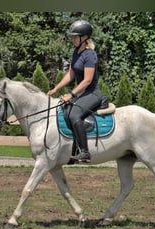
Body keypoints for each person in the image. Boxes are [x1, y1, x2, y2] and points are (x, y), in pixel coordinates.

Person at [47, 20, 102, 162]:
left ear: (84, 38)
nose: (72, 39)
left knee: (74, 114)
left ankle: (84, 152)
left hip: (92, 93)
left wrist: (71, 94)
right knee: (65, 111)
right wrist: (56, 88)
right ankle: (73, 149)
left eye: (74, 36)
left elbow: (87, 80)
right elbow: (70, 75)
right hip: (82, 93)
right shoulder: (76, 52)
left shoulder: (90, 55)